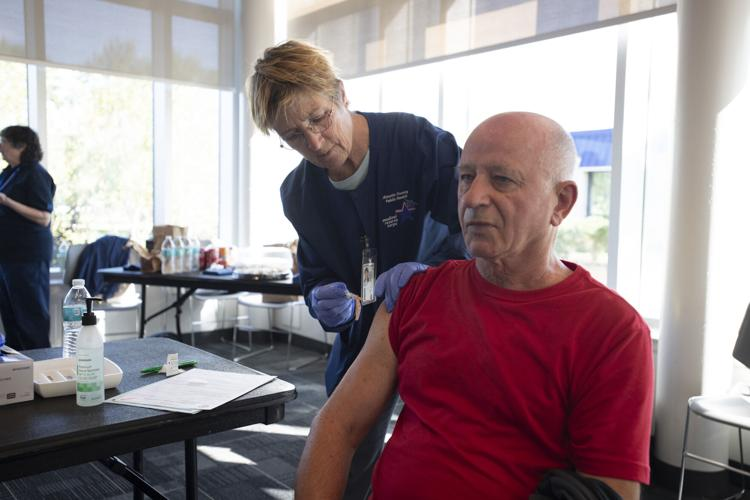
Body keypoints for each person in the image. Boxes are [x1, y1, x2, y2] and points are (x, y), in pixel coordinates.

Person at [295, 112, 654, 499]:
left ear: (561, 203)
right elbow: (336, 426)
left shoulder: (610, 330)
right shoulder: (416, 296)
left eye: (502, 179)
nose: (473, 197)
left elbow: (609, 491)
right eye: (466, 177)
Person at [249, 39, 467, 499]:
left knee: (443, 457)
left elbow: (475, 233)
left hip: (442, 325)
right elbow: (313, 270)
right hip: (364, 333)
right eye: (292, 136)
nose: (313, 142)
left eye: (318, 118)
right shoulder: (299, 193)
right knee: (342, 449)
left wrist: (431, 272)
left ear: (341, 94)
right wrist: (320, 295)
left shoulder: (417, 143)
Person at [0, 125, 56, 350]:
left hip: (27, 256)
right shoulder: (9, 172)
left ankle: (40, 368)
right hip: (7, 256)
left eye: (3, 141)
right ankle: (18, 372)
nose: (0, 146)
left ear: (21, 146)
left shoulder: (35, 174)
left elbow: (44, 218)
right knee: (12, 316)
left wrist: (7, 201)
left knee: (30, 315)